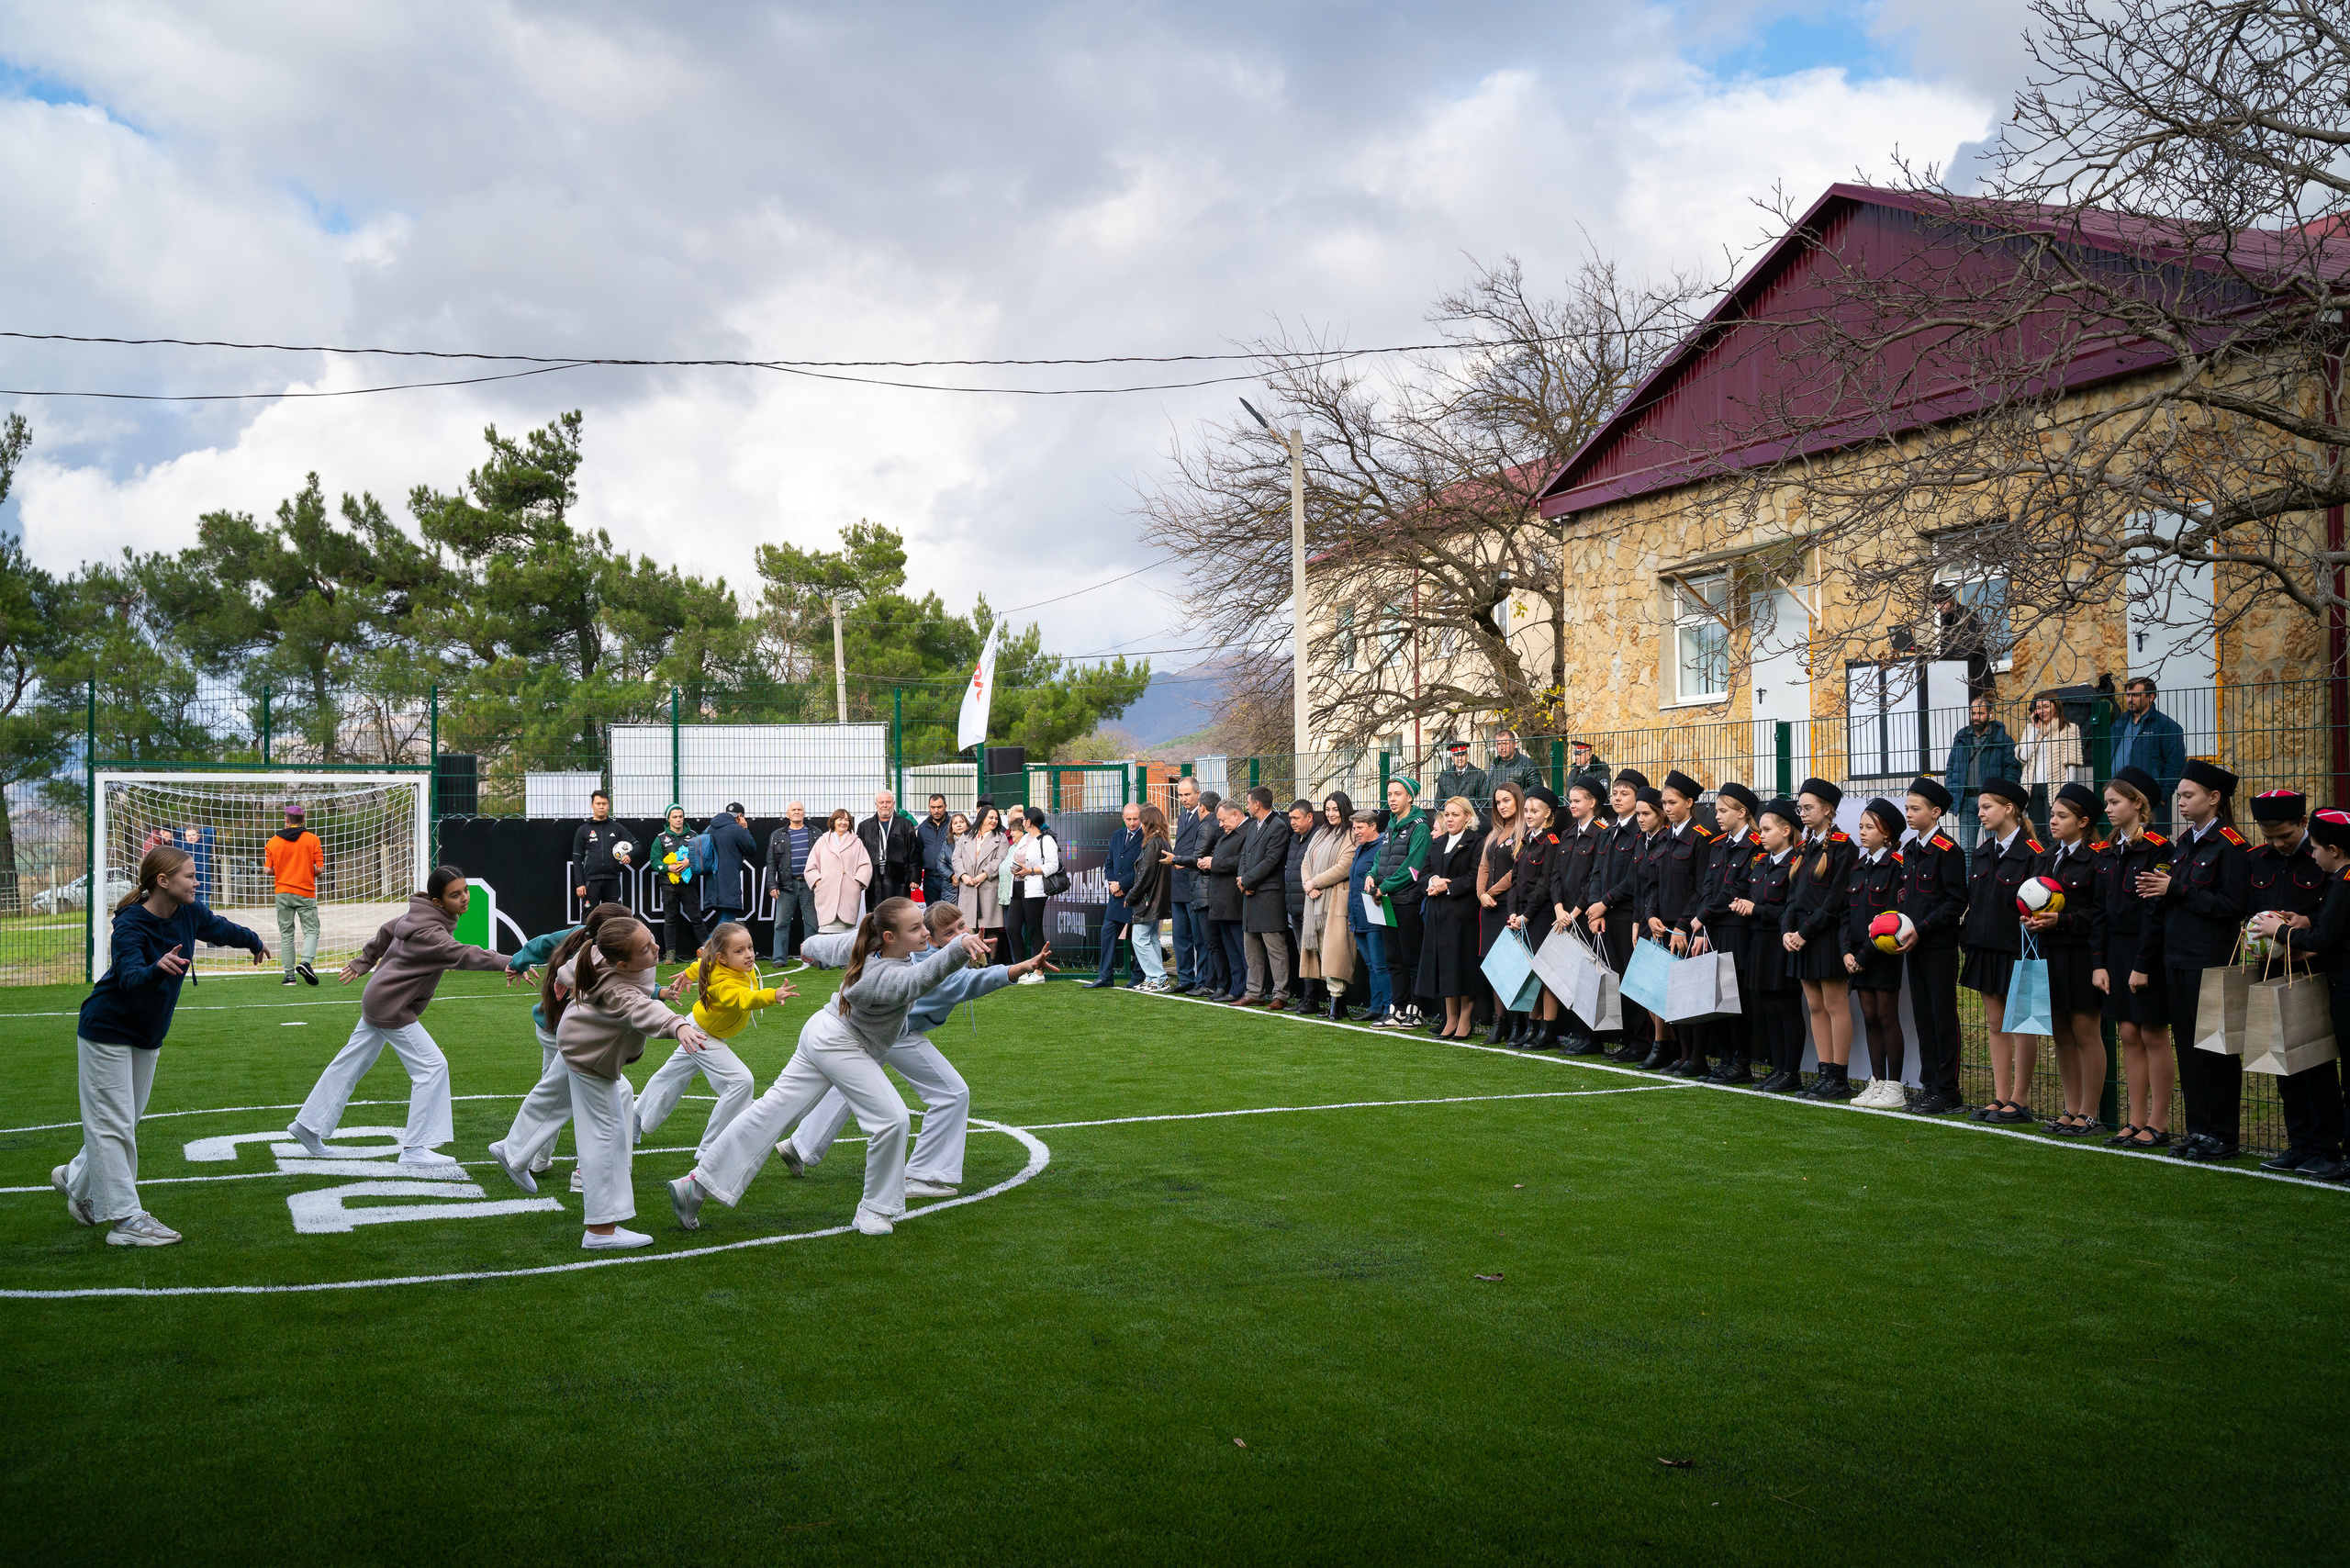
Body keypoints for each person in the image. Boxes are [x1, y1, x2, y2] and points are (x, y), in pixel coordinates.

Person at [667, 898, 991, 1237]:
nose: (926, 932)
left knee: (770, 1111)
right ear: (889, 937)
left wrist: (808, 946)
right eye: (916, 928)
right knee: (892, 1119)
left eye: (922, 925)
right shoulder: (879, 976)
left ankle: (695, 1185)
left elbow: (827, 944)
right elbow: (916, 981)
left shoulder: (870, 941)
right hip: (838, 1041)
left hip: (822, 1030)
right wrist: (957, 950)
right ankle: (874, 1210)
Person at [54, 846, 269, 1246]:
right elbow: (131, 976)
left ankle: (74, 1177)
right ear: (163, 881)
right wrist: (157, 969)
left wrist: (253, 942)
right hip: (107, 1031)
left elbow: (221, 928)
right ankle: (125, 1221)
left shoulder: (189, 912)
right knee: (115, 1124)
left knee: (123, 1121)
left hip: (148, 1034)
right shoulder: (132, 924)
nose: (197, 881)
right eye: (189, 876)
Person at [776, 901, 1057, 1193]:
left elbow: (844, 944)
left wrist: (811, 947)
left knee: (852, 1087)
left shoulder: (916, 953)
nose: (961, 934)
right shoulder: (935, 967)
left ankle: (800, 1146)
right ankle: (922, 1174)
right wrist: (1020, 967)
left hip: (884, 1030)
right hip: (895, 1033)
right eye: (949, 933)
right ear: (930, 939)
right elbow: (975, 980)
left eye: (962, 926)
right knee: (952, 1093)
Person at [286, 866, 509, 1165]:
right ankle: (415, 1149)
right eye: (455, 895)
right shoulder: (431, 932)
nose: (465, 898)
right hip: (391, 1006)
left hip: (379, 999)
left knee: (350, 1063)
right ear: (438, 902)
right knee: (432, 1067)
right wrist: (512, 961)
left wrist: (365, 960)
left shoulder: (417, 916)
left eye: (465, 891)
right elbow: (464, 954)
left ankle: (307, 1126)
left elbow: (388, 930)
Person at [534, 916, 713, 1249]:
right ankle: (601, 1231)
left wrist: (562, 978)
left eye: (652, 938)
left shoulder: (601, 954)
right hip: (589, 1055)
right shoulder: (618, 985)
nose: (656, 947)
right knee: (606, 1136)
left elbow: (571, 968)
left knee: (574, 1112)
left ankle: (515, 1153)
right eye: (646, 948)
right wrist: (678, 1026)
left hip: (580, 1045)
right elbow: (641, 1009)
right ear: (622, 963)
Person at [499, 902, 659, 1188]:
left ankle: (530, 1156)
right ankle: (589, 1173)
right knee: (617, 1093)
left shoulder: (583, 942)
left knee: (552, 1090)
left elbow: (543, 948)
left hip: (554, 1031)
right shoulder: (600, 956)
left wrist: (517, 963)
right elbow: (624, 993)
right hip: (574, 1038)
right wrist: (676, 1023)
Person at [2143, 759, 2252, 1160]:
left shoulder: (2231, 846)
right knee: (2188, 1049)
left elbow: (2230, 906)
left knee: (2216, 1051)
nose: (2181, 802)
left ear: (2214, 798)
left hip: (2211, 961)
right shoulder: (2186, 842)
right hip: (2177, 958)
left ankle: (2223, 1134)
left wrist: (2178, 889)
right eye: (2180, 796)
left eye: (2188, 795)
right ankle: (2199, 1130)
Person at [632, 920, 794, 1159]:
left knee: (672, 1075)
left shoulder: (716, 962)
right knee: (741, 1082)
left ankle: (635, 1121)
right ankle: (712, 1148)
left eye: (749, 947)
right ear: (722, 958)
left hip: (698, 1027)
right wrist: (773, 994)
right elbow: (744, 998)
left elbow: (702, 962)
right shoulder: (724, 984)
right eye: (739, 951)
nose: (749, 955)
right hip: (701, 1034)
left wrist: (688, 973)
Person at [2254, 807, 2350, 1181]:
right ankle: (2307, 1146)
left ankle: (2335, 1153)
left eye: (2316, 848)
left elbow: (2326, 939)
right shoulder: (2339, 881)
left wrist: (2280, 931)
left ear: (2335, 850)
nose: (2312, 855)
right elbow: (2328, 935)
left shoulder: (2343, 883)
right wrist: (2304, 927)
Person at [2090, 766, 2175, 1149]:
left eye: (2114, 802)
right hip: (2117, 952)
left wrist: (2142, 963)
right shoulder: (2109, 850)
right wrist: (2099, 962)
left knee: (2153, 1032)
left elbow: (2155, 912)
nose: (2107, 808)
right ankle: (2135, 1119)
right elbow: (2099, 911)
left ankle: (2159, 1122)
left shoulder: (2160, 849)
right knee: (2126, 1032)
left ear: (2137, 804)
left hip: (2148, 951)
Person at [2026, 782, 2107, 1136]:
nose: (2053, 821)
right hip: (2050, 953)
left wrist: (2064, 920)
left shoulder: (2097, 859)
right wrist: (2031, 919)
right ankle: (2070, 1108)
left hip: (2081, 955)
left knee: (2086, 1031)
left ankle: (2091, 1113)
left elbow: (2100, 913)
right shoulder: (2047, 857)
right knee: (2060, 1032)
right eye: (2053, 815)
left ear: (2084, 821)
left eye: (2062, 816)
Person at [1959, 777, 2042, 1122]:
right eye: (1979, 807)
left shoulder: (2034, 853)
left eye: (1987, 807)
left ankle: (2019, 1100)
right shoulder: (1981, 853)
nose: (1980, 814)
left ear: (2009, 809)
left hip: (2017, 949)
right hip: (1984, 947)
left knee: (2021, 1023)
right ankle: (2001, 1095)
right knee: (1996, 1024)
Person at [1896, 777, 1971, 1115]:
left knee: (1942, 1016)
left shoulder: (1948, 851)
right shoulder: (1909, 850)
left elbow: (1955, 902)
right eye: (1907, 807)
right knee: (1923, 1016)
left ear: (1936, 812)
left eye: (1915, 808)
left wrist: (1921, 929)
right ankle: (1929, 1086)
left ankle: (1947, 1089)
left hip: (1938, 945)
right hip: (1913, 946)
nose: (1908, 814)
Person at [1783, 778, 1857, 1099]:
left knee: (1834, 1004)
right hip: (1800, 937)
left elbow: (1836, 901)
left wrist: (1804, 932)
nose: (1803, 813)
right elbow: (1792, 897)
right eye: (1800, 808)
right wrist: (1787, 930)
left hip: (1823, 936)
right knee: (1814, 1005)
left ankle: (1838, 1077)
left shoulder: (1844, 846)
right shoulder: (1804, 847)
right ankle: (1824, 1073)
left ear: (1828, 809)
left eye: (1808, 807)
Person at [1690, 780, 1760, 1082]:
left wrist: (1704, 914)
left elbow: (1737, 888)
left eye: (1723, 810)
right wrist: (1704, 922)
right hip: (1714, 928)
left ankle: (1741, 1062)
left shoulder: (1755, 845)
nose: (1717, 816)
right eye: (1716, 810)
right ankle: (1726, 1057)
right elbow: (1708, 887)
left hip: (1737, 929)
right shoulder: (1718, 844)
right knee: (1715, 997)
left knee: (1736, 998)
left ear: (1742, 812)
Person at [1842, 799, 1909, 1107]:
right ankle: (1876, 1082)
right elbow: (1846, 913)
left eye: (1870, 827)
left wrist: (1864, 954)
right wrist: (1847, 952)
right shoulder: (1858, 866)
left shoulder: (1896, 865)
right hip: (1856, 957)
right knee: (1869, 1017)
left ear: (1887, 833)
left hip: (1881, 955)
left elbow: (1891, 917)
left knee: (1885, 1016)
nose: (1863, 832)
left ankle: (1894, 1086)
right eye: (1860, 827)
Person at [1652, 770, 1718, 1077]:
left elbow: (1702, 888)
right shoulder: (1665, 836)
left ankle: (1697, 1057)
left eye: (1672, 802)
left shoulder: (1701, 838)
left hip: (1688, 927)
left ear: (1690, 803)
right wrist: (1652, 914)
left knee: (1692, 995)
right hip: (1664, 926)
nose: (1666, 807)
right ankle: (1682, 1054)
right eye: (1664, 802)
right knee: (1672, 994)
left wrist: (1683, 924)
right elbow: (1653, 880)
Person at [1586, 768, 1652, 1062]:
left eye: (1624, 793)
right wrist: (1596, 909)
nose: (1616, 797)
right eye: (1614, 793)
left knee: (1632, 980)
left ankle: (1641, 1041)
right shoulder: (1608, 831)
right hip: (1605, 916)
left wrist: (1606, 903)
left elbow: (1634, 877)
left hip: (1628, 915)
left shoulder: (1640, 832)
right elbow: (1597, 874)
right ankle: (1622, 1038)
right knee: (1611, 981)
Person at [1746, 801, 1806, 1093]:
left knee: (1786, 1006)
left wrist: (1755, 910)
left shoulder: (1797, 864)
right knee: (1768, 1006)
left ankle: (1791, 1071)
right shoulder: (1761, 862)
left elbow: (1789, 909)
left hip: (1781, 942)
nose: (1762, 835)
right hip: (1759, 942)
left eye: (1767, 829)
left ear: (1785, 830)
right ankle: (1777, 1068)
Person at [1502, 787, 1568, 1047]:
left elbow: (1544, 884)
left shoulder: (1550, 841)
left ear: (1548, 813)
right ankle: (1532, 1026)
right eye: (1527, 810)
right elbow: (1515, 881)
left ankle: (1547, 1030)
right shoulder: (1526, 839)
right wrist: (1511, 913)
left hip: (1539, 916)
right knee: (1527, 973)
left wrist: (1527, 915)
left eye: (1535, 810)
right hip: (1520, 914)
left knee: (1545, 973)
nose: (1529, 815)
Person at [1416, 797, 1484, 1039]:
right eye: (1447, 815)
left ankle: (1465, 1021)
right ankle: (1451, 1019)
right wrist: (1432, 882)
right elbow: (1422, 874)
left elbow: (1475, 876)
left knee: (1463, 968)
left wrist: (1448, 886)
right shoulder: (1438, 842)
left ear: (1468, 817)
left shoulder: (1476, 842)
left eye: (1456, 815)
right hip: (1437, 915)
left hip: (1462, 915)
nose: (1450, 819)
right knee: (1445, 968)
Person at [1550, 779, 1608, 1054]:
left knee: (1590, 977)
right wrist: (1559, 908)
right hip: (1565, 914)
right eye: (1570, 800)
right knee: (1572, 976)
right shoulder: (1569, 833)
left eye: (1577, 800)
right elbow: (1556, 876)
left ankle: (1593, 1038)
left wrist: (1574, 912)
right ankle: (1580, 1033)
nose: (1571, 805)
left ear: (1592, 802)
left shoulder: (1600, 833)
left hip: (1584, 915)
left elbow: (1595, 877)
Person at [1369, 778, 1431, 1029]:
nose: (1392, 799)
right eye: (1389, 794)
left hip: (1406, 901)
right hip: (1385, 901)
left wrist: (1384, 887)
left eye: (1397, 794)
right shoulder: (1390, 825)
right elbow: (1379, 858)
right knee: (1393, 958)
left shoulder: (1420, 828)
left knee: (1412, 958)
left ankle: (1415, 1011)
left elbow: (1413, 867)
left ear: (1410, 797)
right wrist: (1371, 875)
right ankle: (1398, 1010)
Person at [1299, 792, 1359, 1023]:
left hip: (1334, 901)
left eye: (1335, 809)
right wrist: (1307, 884)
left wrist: (1314, 882)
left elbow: (1344, 866)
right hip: (1314, 900)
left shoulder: (1351, 834)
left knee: (1335, 954)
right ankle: (1337, 1004)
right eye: (1328, 809)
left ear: (1344, 810)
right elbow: (1306, 861)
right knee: (1323, 953)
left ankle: (1337, 1001)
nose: (1331, 814)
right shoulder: (1321, 832)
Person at [1475, 781, 1527, 1045]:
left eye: (1507, 800)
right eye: (1498, 802)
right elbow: (1483, 866)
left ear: (1518, 800)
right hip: (1489, 907)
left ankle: (1518, 1023)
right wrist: (1481, 894)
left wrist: (1491, 892)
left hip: (1510, 905)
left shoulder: (1523, 831)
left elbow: (1516, 871)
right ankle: (1499, 1023)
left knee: (1512, 966)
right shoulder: (1494, 833)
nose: (1502, 806)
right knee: (1494, 967)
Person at [1944, 696, 2021, 857]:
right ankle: (1968, 881)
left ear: (1990, 714)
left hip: (1992, 801)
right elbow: (1951, 768)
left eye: (1980, 713)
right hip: (1966, 800)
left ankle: (1993, 880)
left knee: (1995, 845)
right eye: (1973, 713)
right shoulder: (1961, 738)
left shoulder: (2003, 740)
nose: (1976, 717)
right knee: (1966, 848)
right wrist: (1952, 790)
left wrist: (2004, 796)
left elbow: (2012, 770)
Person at [1237, 786, 1293, 1007]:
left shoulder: (1278, 826)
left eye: (1249, 802)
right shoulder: (1253, 827)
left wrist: (1248, 881)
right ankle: (1254, 992)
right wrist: (1242, 881)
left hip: (1269, 897)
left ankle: (1280, 995)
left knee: (1275, 949)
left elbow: (1271, 862)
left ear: (1257, 804)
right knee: (1251, 948)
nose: (1247, 806)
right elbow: (1244, 856)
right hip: (1250, 896)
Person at [2110, 678, 2188, 835]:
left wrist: (2163, 797)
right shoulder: (2119, 724)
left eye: (2136, 695)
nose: (2130, 700)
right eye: (2128, 695)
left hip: (2149, 802)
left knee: (2151, 849)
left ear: (2150, 697)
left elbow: (2175, 765)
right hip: (2119, 797)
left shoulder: (2167, 726)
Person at [267, 802, 324, 987]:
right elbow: (320, 869)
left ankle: (289, 976)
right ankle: (306, 961)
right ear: (303, 820)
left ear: (286, 820)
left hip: (282, 892)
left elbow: (267, 870)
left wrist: (284, 872)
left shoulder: (273, 842)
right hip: (305, 892)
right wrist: (306, 871)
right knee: (311, 930)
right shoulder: (312, 839)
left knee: (286, 933)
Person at [1090, 801, 1145, 990]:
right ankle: (1105, 976)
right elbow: (1109, 863)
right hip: (1116, 895)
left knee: (1139, 935)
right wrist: (1114, 884)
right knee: (1107, 932)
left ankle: (1139, 975)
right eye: (1128, 819)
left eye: (1135, 818)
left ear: (1142, 818)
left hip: (1137, 894)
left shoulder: (1147, 837)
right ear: (1123, 818)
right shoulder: (1117, 835)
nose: (1132, 823)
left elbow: (1143, 870)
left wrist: (1122, 884)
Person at [1345, 809, 1392, 1023]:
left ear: (1373, 826)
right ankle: (1376, 1007)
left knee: (1380, 965)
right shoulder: (1360, 849)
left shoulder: (1382, 848)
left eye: (1360, 828)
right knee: (1372, 966)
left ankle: (1390, 1009)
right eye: (1354, 828)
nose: (1356, 832)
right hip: (1358, 917)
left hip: (1374, 916)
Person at [2018, 693, 2086, 837]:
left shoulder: (2069, 728)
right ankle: (2041, 859)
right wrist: (2035, 730)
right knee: (2037, 832)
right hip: (2033, 787)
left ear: (2056, 707)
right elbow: (2023, 757)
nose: (2043, 711)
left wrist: (2068, 790)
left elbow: (2071, 762)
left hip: (2056, 786)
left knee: (2054, 832)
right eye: (2039, 708)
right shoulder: (2031, 729)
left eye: (2047, 706)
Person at [1123, 804, 1173, 991]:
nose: (1140, 825)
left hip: (1147, 900)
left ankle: (1157, 978)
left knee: (1140, 939)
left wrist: (1132, 895)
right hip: (1155, 899)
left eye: (1142, 821)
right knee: (1151, 938)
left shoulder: (1153, 842)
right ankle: (1158, 978)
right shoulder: (1162, 840)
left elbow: (1145, 875)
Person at [1204, 797, 1250, 1002]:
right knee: (1231, 951)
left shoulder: (1248, 831)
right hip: (1221, 903)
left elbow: (1241, 861)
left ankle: (1246, 989)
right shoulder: (1228, 833)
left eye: (1223, 820)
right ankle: (1235, 988)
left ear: (1235, 814)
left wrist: (1214, 863)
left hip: (1235, 902)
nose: (1221, 825)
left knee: (1241, 951)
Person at [1168, 777, 1210, 994]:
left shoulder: (1205, 818)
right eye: (1180, 795)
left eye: (1187, 795)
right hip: (1179, 886)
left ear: (1198, 793)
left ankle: (1203, 981)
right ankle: (1185, 979)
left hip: (1196, 884)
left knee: (1200, 938)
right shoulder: (1182, 817)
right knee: (1180, 937)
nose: (1183, 799)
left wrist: (1179, 861)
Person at [1007, 806, 1061, 975]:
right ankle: (1022, 969)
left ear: (1029, 821)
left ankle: (1038, 971)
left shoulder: (1046, 840)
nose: (1022, 822)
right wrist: (1015, 869)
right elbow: (1019, 859)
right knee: (1012, 928)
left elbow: (1054, 865)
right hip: (1017, 888)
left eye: (1024, 819)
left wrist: (1029, 871)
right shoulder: (1024, 838)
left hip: (1035, 890)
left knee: (1034, 930)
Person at [696, 802, 758, 940]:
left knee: (724, 917)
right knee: (728, 919)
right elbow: (751, 848)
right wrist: (745, 829)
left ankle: (711, 952)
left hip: (712, 881)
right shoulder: (736, 829)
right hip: (728, 881)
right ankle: (706, 948)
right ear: (740, 816)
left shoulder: (710, 828)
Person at [765, 802, 818, 962]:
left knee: (812, 924)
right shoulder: (777, 835)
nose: (797, 812)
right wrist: (772, 885)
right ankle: (779, 959)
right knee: (781, 924)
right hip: (786, 886)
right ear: (787, 814)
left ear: (804, 813)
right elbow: (771, 862)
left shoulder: (816, 833)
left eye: (799, 809)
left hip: (810, 884)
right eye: (793, 810)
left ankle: (813, 957)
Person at [955, 804, 1008, 961]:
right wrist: (963, 876)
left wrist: (984, 874)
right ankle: (972, 962)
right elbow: (956, 858)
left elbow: (1001, 859)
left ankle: (990, 962)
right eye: (991, 817)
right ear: (982, 818)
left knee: (990, 925)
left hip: (989, 886)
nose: (994, 821)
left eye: (996, 818)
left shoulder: (1001, 837)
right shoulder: (967, 836)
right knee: (969, 927)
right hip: (969, 886)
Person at [1279, 800, 1317, 1012]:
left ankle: (1313, 998)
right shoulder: (1294, 840)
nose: (1291, 822)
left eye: (1296, 818)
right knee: (1302, 954)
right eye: (1290, 818)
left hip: (1311, 907)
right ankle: (1306, 996)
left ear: (1309, 817)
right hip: (1294, 907)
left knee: (1312, 954)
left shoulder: (1317, 838)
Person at [807, 807, 872, 933]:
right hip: (826, 894)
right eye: (840, 819)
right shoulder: (822, 841)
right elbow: (811, 867)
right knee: (826, 936)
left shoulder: (857, 842)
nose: (843, 822)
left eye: (847, 820)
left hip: (848, 895)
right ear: (833, 822)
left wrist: (857, 884)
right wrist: (819, 883)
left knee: (846, 936)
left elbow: (865, 865)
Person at [653, 806, 701, 963]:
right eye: (675, 817)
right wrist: (668, 867)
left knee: (696, 918)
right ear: (668, 819)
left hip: (689, 885)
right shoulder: (661, 838)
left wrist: (690, 861)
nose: (678, 819)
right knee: (670, 919)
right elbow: (654, 861)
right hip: (669, 885)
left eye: (681, 816)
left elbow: (703, 855)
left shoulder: (694, 836)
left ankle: (709, 949)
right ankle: (670, 954)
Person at [1932, 582, 1994, 700]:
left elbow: (1973, 647)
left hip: (1976, 680)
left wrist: (1950, 662)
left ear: (1951, 598)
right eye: (1937, 603)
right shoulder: (1946, 620)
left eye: (1942, 601)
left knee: (1977, 715)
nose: (1940, 606)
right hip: (1960, 680)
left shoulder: (1968, 615)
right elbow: (1945, 649)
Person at [572, 790, 631, 911]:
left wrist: (630, 855)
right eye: (598, 803)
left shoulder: (617, 827)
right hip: (591, 881)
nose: (601, 806)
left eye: (604, 803)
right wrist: (579, 883)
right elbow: (577, 857)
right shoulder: (583, 830)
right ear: (592, 806)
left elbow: (637, 845)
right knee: (589, 918)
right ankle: (588, 931)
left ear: (608, 806)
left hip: (612, 880)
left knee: (613, 917)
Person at [859, 790, 919, 903]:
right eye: (881, 802)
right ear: (876, 804)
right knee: (875, 914)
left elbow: (914, 851)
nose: (885, 805)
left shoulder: (905, 824)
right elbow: (858, 855)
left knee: (898, 914)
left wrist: (914, 877)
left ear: (894, 803)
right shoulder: (864, 826)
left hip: (899, 878)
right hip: (873, 878)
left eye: (888, 802)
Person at [1432, 741, 1490, 824]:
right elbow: (1439, 802)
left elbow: (1483, 801)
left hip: (1471, 821)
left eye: (1462, 755)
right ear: (1452, 758)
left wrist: (1472, 817)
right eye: (1456, 756)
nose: (1459, 758)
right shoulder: (1444, 777)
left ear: (1467, 756)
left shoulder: (1478, 774)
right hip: (1450, 821)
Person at [917, 793, 957, 908]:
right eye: (933, 807)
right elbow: (918, 853)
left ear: (945, 806)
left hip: (949, 878)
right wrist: (916, 877)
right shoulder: (923, 827)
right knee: (932, 913)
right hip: (930, 878)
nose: (936, 811)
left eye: (939, 807)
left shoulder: (953, 825)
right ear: (929, 807)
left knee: (949, 913)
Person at [1487, 729, 1544, 797]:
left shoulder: (1528, 764)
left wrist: (1514, 797)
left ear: (1514, 744)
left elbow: (1536, 788)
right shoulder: (1494, 764)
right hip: (1494, 806)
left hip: (1518, 806)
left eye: (1505, 743)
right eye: (1499, 744)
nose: (1501, 748)